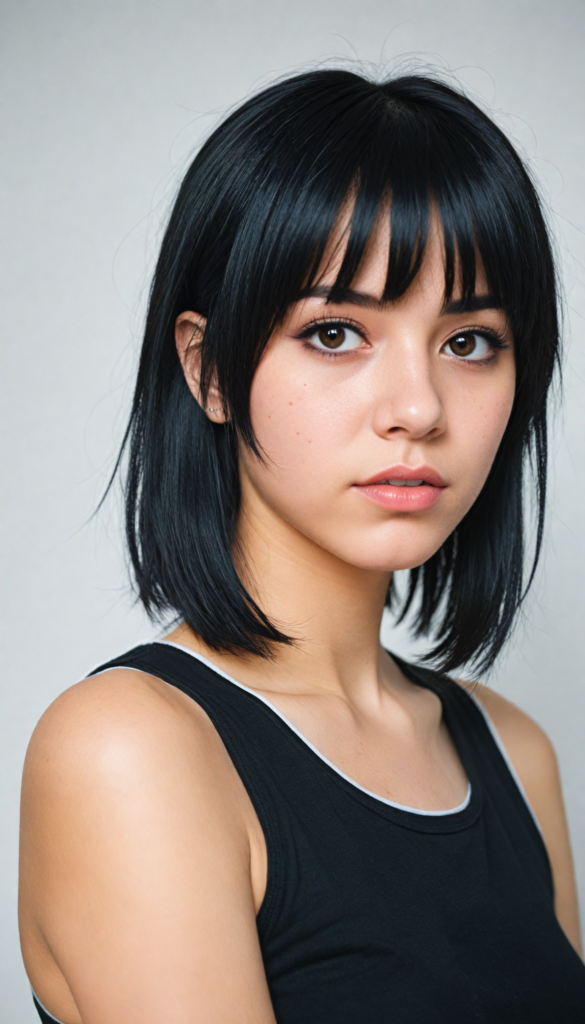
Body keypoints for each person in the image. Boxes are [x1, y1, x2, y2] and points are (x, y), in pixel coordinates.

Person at [19, 69, 585, 1024]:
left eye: (469, 342)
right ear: (209, 372)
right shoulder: (131, 748)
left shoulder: (510, 751)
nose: (418, 408)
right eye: (334, 332)